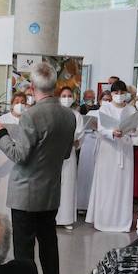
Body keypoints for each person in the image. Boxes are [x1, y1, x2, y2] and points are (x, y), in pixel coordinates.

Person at [0, 61, 75, 274]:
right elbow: (67, 154)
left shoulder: (31, 115)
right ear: (55, 84)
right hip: (50, 191)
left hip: (26, 192)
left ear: (32, 86)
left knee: (24, 251)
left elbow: (19, 155)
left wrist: (2, 134)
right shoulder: (68, 115)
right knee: (49, 246)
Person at [86, 81, 138, 233]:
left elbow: (135, 130)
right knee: (106, 183)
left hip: (125, 149)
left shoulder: (131, 109)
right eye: (116, 93)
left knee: (123, 184)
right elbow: (101, 129)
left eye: (121, 93)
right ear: (111, 94)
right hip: (108, 150)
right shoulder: (105, 108)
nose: (119, 96)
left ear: (126, 94)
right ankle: (104, 219)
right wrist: (112, 133)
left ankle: (121, 221)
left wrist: (130, 130)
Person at [55, 88, 85, 229]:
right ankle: (52, 218)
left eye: (69, 96)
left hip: (69, 153)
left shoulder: (76, 115)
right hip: (53, 153)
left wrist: (72, 140)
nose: (66, 98)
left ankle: (66, 218)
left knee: (67, 184)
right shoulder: (53, 113)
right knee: (54, 185)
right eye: (63, 96)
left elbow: (79, 134)